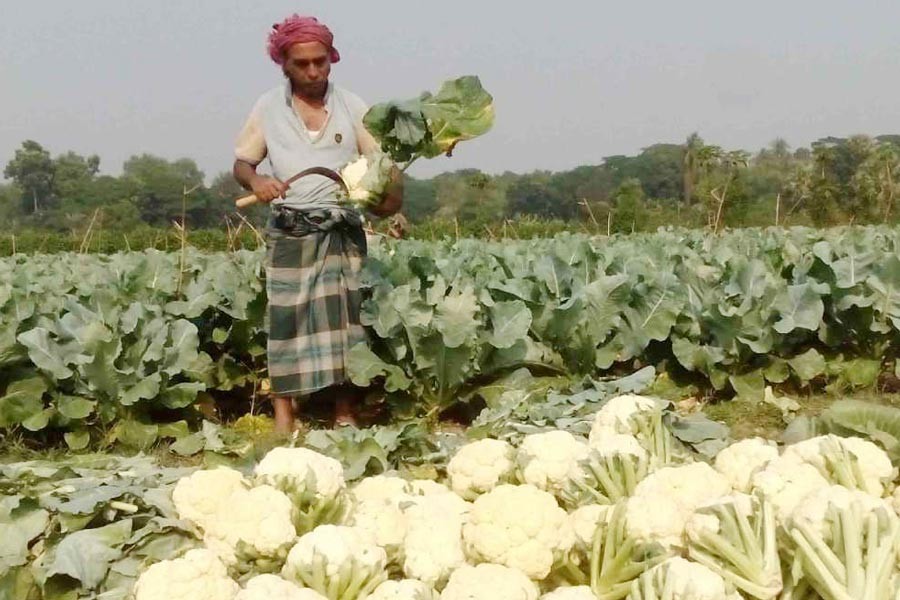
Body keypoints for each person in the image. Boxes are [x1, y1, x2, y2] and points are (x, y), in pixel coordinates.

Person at [232, 14, 402, 433]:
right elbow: (243, 162)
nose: (313, 72)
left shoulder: (353, 107)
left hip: (340, 227)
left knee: (344, 320)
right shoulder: (268, 107)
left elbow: (382, 165)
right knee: (287, 318)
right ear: (284, 65)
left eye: (320, 62)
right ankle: (285, 414)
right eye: (302, 64)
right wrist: (258, 181)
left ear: (332, 59)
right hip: (291, 226)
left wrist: (391, 203)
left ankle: (343, 410)